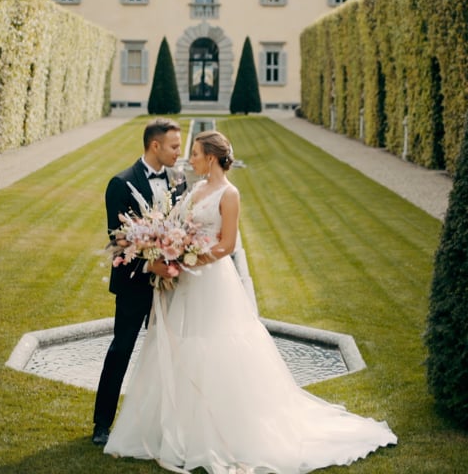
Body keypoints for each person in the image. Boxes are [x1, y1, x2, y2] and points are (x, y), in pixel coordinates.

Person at [105, 130, 396, 473]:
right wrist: (168, 246)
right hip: (185, 281)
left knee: (217, 348)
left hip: (212, 280)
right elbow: (176, 226)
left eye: (195, 153)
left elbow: (227, 244)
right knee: (179, 346)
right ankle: (174, 428)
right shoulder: (194, 189)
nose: (191, 158)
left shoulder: (230, 194)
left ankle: (220, 431)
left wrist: (190, 259)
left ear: (210, 157)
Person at [93, 118, 186, 446]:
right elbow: (118, 239)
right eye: (174, 146)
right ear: (155, 145)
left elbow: (182, 227)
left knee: (171, 353)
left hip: (171, 285)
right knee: (122, 349)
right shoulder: (121, 183)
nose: (180, 152)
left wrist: (175, 258)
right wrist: (151, 265)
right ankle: (102, 425)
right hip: (135, 284)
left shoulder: (178, 180)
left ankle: (166, 424)